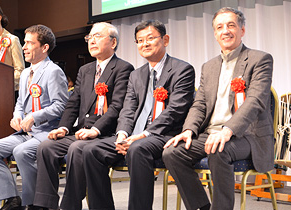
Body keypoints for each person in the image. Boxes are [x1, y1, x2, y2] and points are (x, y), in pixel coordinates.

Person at [163, 7, 274, 210]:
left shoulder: (260, 59)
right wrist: (188, 130)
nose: (226, 31)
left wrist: (227, 130)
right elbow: (200, 104)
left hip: (248, 135)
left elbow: (256, 100)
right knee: (172, 153)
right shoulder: (209, 66)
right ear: (215, 34)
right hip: (211, 133)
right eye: (220, 27)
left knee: (218, 149)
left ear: (242, 30)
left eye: (231, 25)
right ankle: (202, 207)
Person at [83, 20, 195, 210]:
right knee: (90, 150)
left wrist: (143, 135)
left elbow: (175, 110)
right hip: (134, 134)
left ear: (165, 40)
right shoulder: (136, 75)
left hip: (163, 134)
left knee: (138, 149)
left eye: (150, 38)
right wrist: (122, 135)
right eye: (140, 40)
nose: (145, 44)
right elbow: (128, 109)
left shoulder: (182, 70)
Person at [33, 22, 134, 210]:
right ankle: (44, 205)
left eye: (97, 36)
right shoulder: (85, 70)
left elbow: (118, 107)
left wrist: (95, 130)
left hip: (106, 133)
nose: (91, 40)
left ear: (113, 43)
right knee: (46, 147)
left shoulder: (123, 68)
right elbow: (73, 104)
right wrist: (63, 128)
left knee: (77, 148)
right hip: (81, 131)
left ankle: (70, 205)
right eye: (89, 37)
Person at [0, 24, 69, 210]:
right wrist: (17, 116)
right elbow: (20, 103)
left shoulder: (53, 71)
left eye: (29, 43)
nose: (24, 47)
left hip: (47, 131)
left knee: (22, 152)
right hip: (25, 132)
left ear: (44, 48)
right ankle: (12, 199)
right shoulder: (27, 72)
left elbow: (61, 106)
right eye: (24, 43)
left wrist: (35, 117)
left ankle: (35, 203)